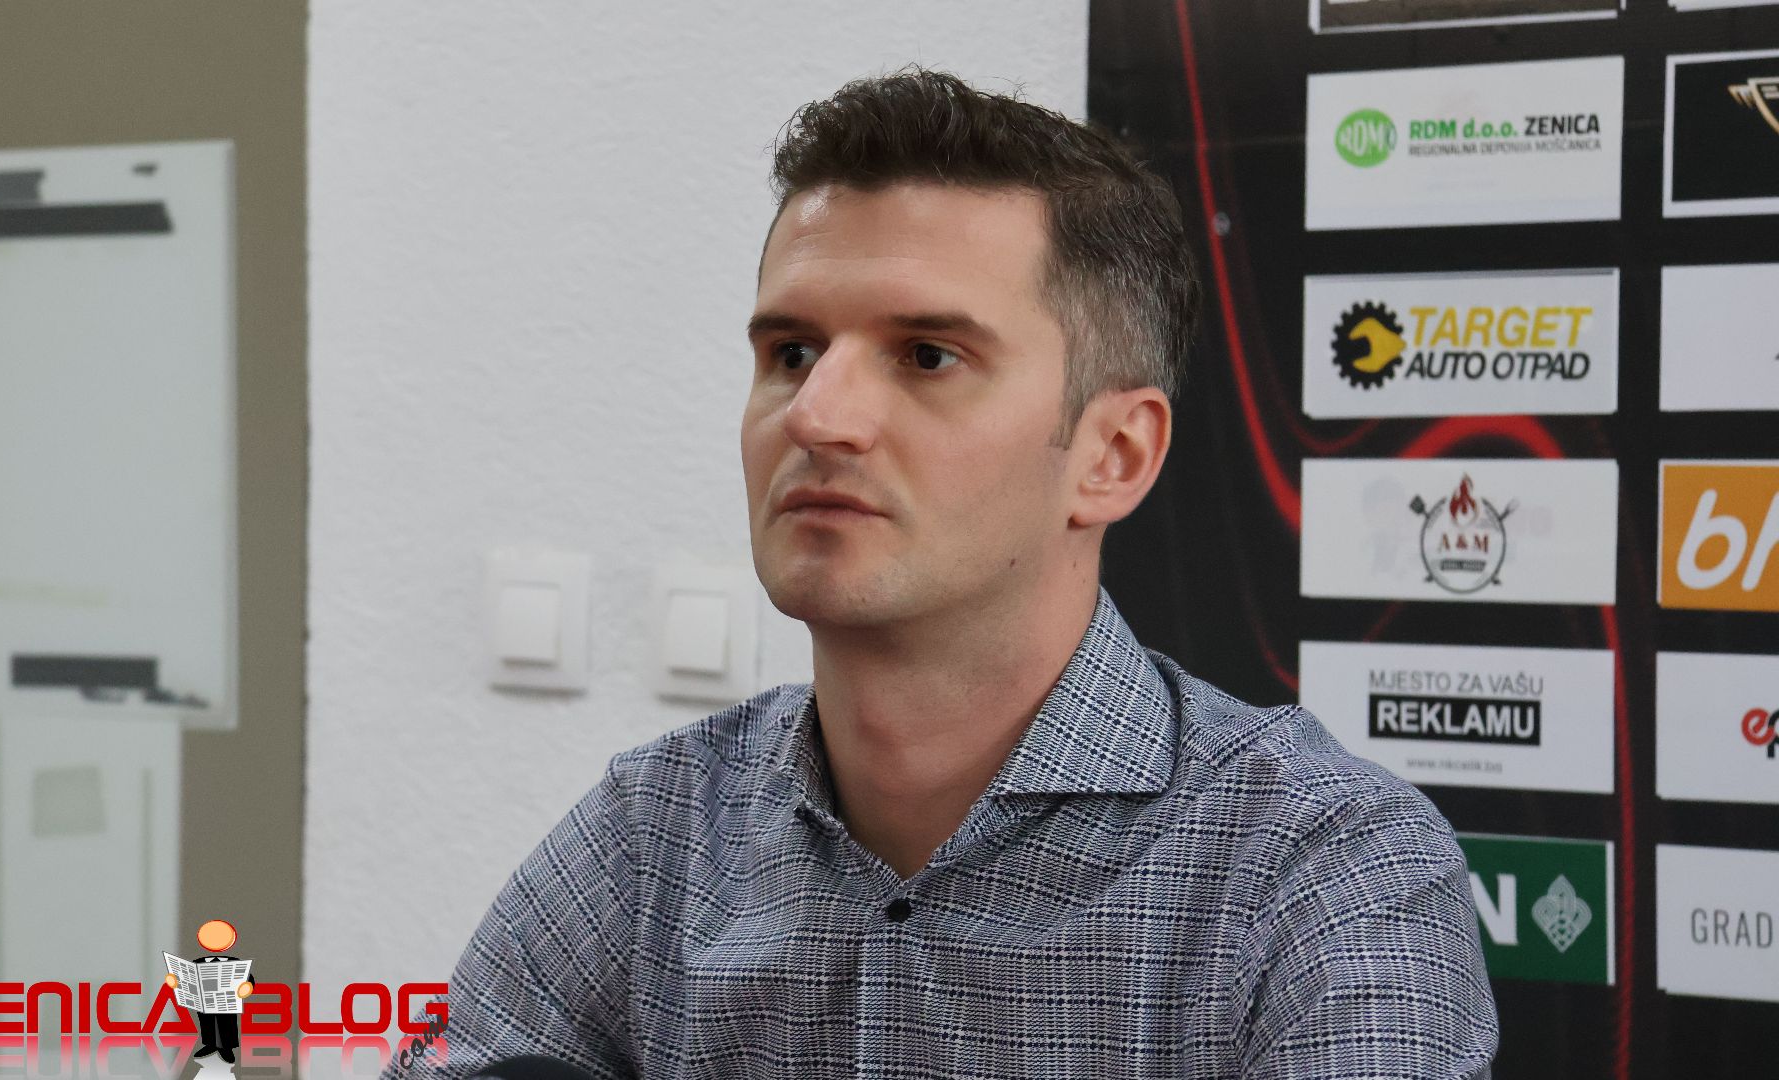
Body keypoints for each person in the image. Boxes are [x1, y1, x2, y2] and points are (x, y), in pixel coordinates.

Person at [396, 69, 1497, 1079]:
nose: (817, 415)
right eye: (791, 353)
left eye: (928, 357)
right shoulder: (655, 831)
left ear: (1115, 456)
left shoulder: (1322, 869)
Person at [165, 917, 255, 1064]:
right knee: (206, 1022)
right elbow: (186, 978)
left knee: (226, 1022)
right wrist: (176, 982)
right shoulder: (197, 963)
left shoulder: (235, 962)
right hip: (204, 1000)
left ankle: (226, 1047)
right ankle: (210, 1044)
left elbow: (247, 978)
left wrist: (247, 987)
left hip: (226, 1000)